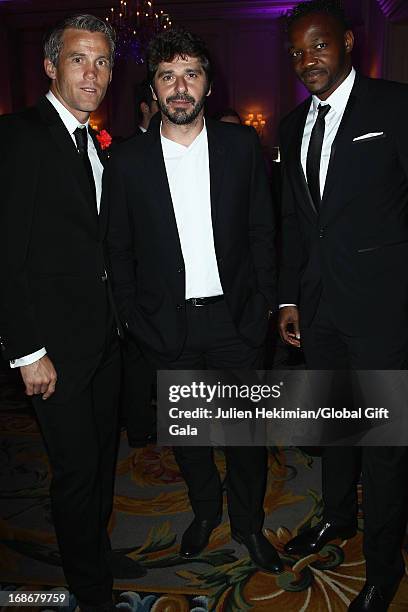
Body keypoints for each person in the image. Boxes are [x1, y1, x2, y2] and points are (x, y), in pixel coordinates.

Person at [106, 27, 282, 573]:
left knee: (247, 437)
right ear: (153, 91)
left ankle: (250, 526)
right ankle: (206, 512)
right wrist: (137, 322)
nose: (179, 88)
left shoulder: (240, 146)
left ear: (208, 85)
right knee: (190, 437)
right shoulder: (127, 161)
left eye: (191, 75)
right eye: (167, 77)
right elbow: (119, 251)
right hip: (167, 329)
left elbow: (262, 232)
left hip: (237, 323)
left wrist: (264, 308)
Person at [0, 14, 143, 610]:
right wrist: (27, 351)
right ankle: (89, 587)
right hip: (52, 350)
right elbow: (5, 254)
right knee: (75, 470)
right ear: (50, 67)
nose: (94, 73)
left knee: (103, 459)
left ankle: (94, 546)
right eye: (80, 59)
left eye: (104, 61)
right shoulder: (19, 135)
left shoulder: (97, 140)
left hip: (103, 337)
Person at [278, 1, 408, 610]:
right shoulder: (290, 124)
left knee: (384, 446)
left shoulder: (395, 106)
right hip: (319, 308)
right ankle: (338, 519)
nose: (309, 60)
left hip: (383, 311)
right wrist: (290, 296)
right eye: (299, 51)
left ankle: (384, 567)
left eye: (320, 46)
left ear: (349, 42)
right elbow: (299, 225)